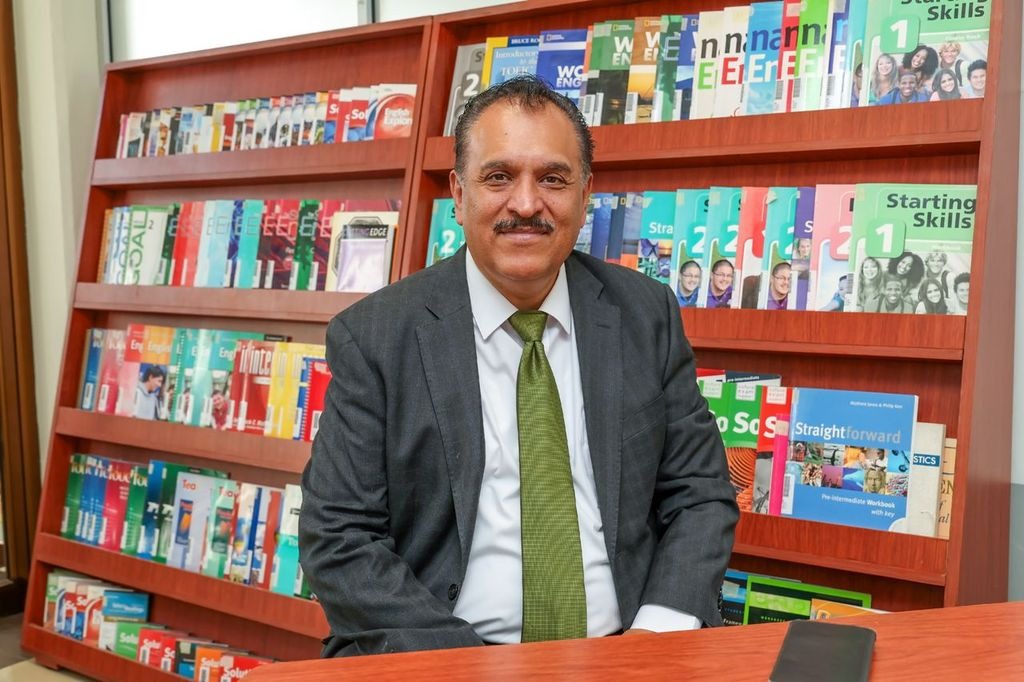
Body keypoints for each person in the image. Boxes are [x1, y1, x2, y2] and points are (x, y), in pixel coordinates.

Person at [299, 75, 738, 657]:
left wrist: (653, 637)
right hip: (441, 655)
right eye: (499, 177)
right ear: (459, 195)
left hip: (627, 651)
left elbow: (700, 493)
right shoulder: (376, 335)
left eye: (553, 179)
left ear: (585, 194)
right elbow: (338, 537)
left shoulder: (644, 313)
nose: (526, 204)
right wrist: (468, 667)